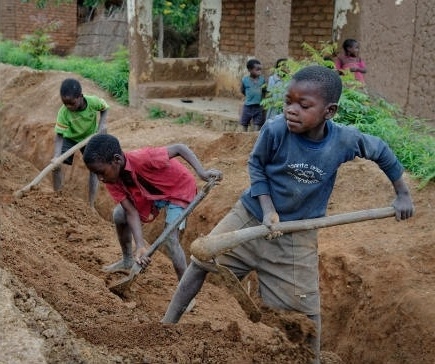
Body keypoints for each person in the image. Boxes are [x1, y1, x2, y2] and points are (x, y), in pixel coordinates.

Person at [161, 65, 414, 364]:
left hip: (295, 236)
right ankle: (166, 327)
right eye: (288, 102)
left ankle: (313, 360)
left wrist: (403, 194)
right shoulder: (276, 129)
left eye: (303, 105)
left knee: (306, 313)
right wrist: (268, 209)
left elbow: (382, 151)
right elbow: (256, 166)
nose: (292, 110)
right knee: (201, 261)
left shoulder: (343, 141)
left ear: (329, 111)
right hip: (250, 216)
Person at [82, 133, 223, 284]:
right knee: (119, 214)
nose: (100, 179)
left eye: (101, 172)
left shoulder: (144, 157)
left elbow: (179, 148)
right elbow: (130, 211)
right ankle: (128, 259)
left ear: (117, 159)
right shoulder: (111, 180)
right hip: (150, 194)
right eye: (95, 174)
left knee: (170, 239)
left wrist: (202, 173)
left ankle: (184, 288)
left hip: (179, 189)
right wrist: (140, 246)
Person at [52, 78, 109, 208]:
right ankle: (56, 199)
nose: (68, 107)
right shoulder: (63, 112)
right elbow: (59, 136)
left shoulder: (93, 102)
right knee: (56, 166)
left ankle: (91, 205)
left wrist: (102, 125)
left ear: (80, 97)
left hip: (90, 137)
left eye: (71, 103)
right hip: (70, 138)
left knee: (95, 168)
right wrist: (56, 156)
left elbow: (105, 109)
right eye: (65, 103)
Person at [239, 59, 267, 132]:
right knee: (244, 123)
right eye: (257, 69)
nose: (259, 71)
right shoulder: (245, 80)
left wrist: (262, 101)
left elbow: (264, 91)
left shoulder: (262, 80)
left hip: (258, 106)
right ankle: (243, 138)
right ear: (250, 70)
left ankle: (255, 141)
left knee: (257, 125)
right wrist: (249, 97)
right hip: (247, 106)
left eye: (260, 69)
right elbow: (242, 90)